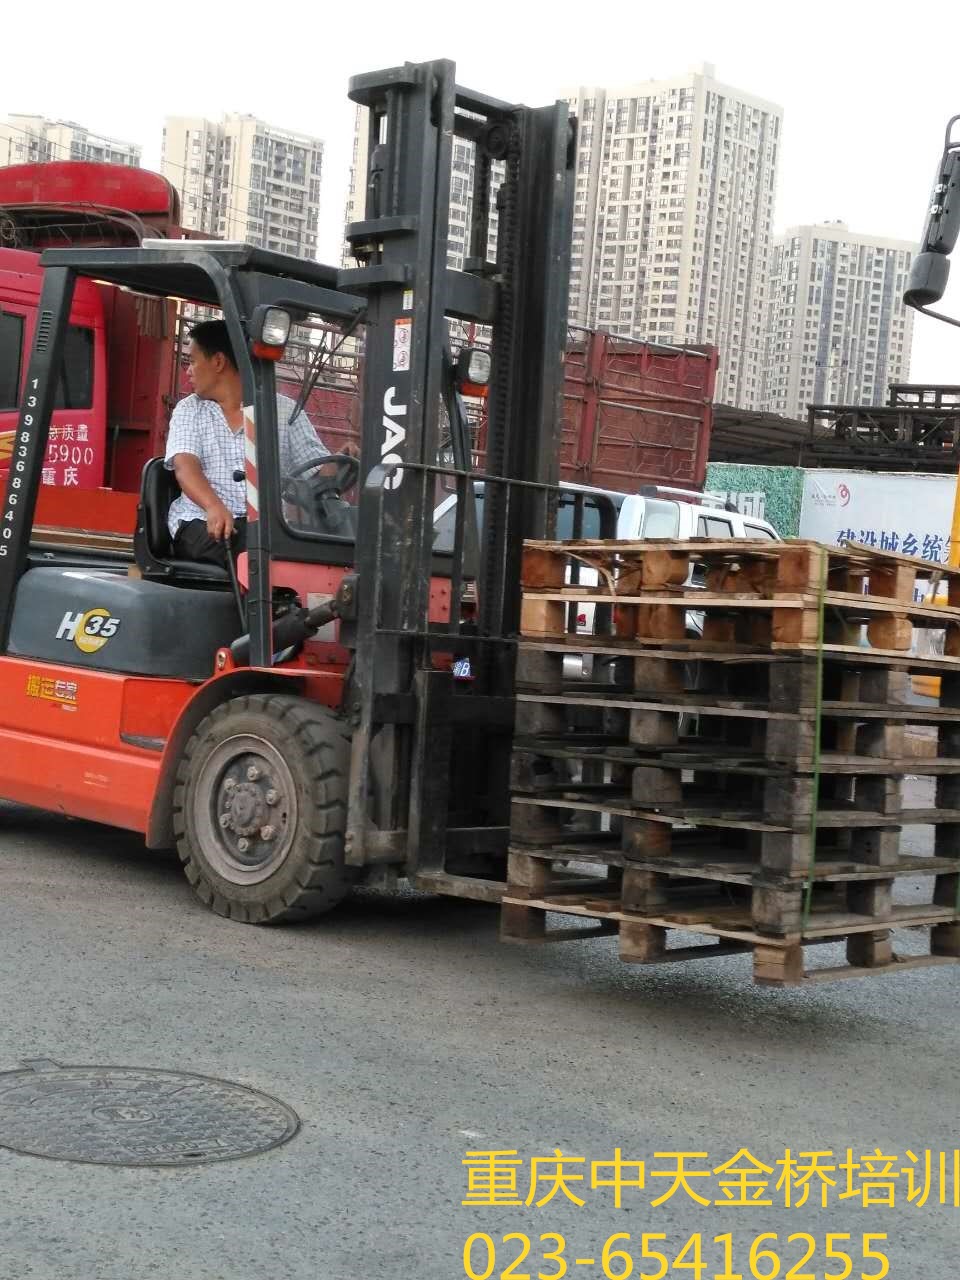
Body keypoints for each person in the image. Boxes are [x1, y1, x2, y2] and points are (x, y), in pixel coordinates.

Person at [165, 319, 332, 567]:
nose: (188, 371)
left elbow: (318, 470)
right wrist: (213, 506)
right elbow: (185, 467)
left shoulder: (284, 411)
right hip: (203, 523)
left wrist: (345, 461)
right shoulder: (190, 410)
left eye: (193, 361)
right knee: (255, 551)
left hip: (267, 528)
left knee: (319, 549)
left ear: (218, 362)